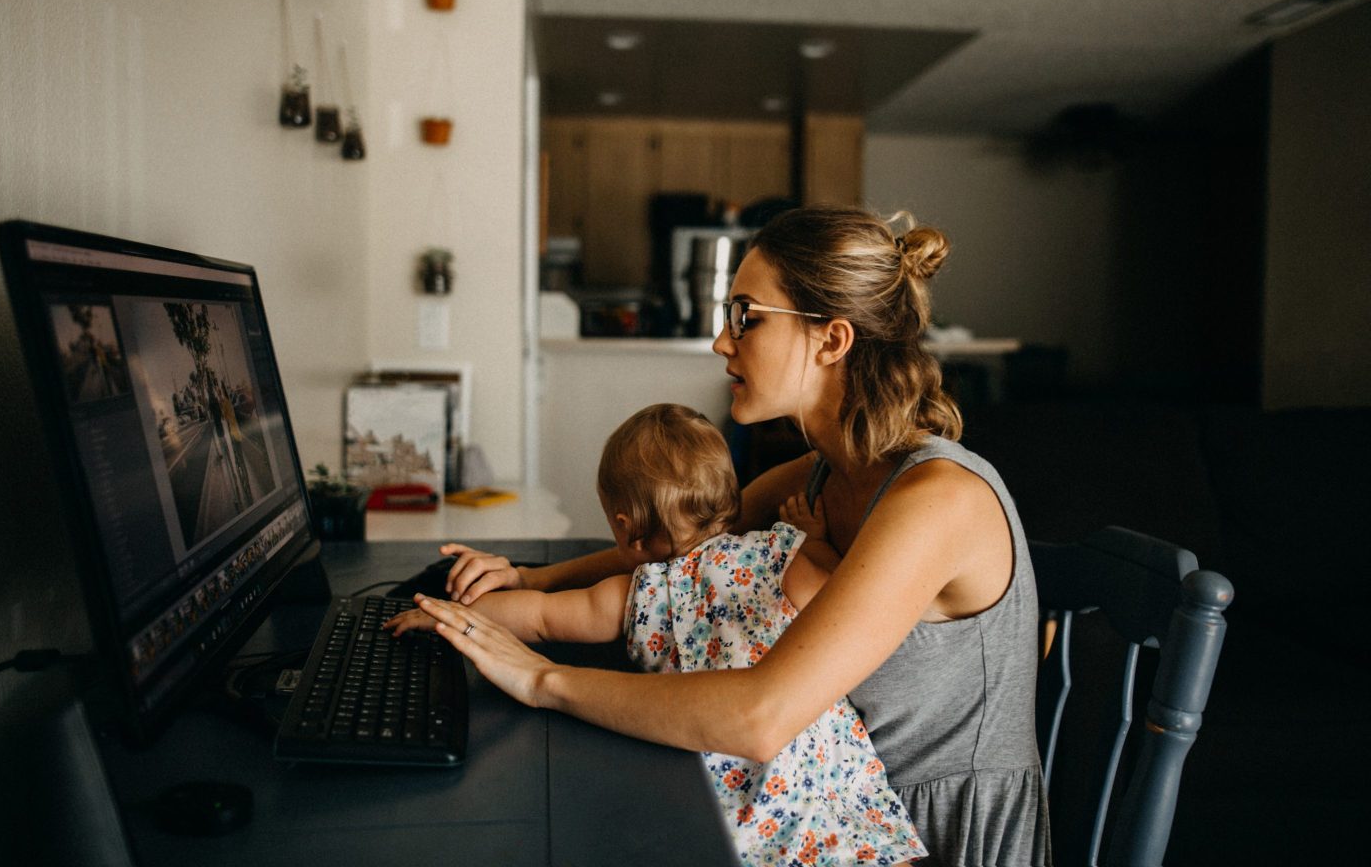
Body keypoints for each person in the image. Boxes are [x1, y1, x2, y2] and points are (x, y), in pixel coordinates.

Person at [407, 206, 1050, 866]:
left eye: (746, 315)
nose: (722, 340)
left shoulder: (936, 501)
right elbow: (690, 551)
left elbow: (760, 717)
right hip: (819, 810)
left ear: (831, 341)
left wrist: (543, 679)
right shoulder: (824, 472)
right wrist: (530, 579)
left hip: (920, 835)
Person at [386, 403, 927, 866]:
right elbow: (834, 587)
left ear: (624, 527)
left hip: (734, 804)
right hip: (828, 790)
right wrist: (813, 537)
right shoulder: (784, 555)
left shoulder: (640, 594)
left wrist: (448, 617)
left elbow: (540, 616)